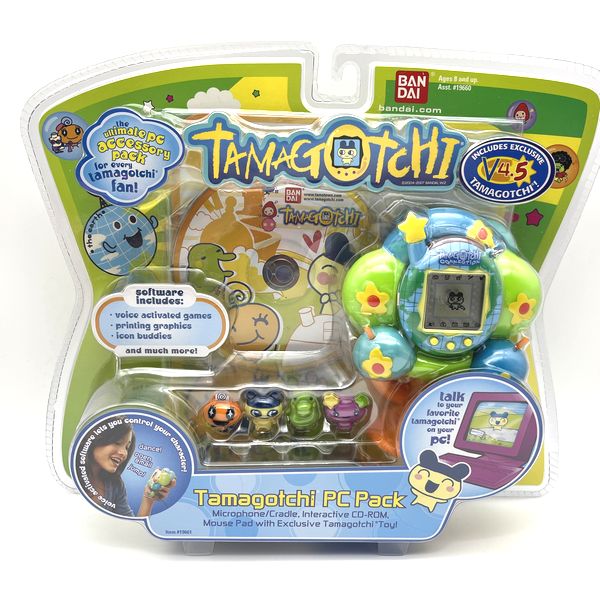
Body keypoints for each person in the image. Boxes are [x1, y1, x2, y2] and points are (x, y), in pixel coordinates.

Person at [84, 422, 175, 517]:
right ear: (97, 438)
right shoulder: (75, 474)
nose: (124, 453)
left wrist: (148, 498)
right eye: (117, 442)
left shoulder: (115, 486)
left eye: (127, 447)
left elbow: (132, 524)